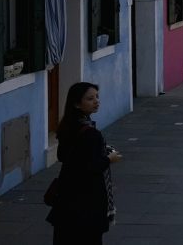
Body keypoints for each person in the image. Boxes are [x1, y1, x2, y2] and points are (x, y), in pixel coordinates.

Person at [47, 82, 122, 245]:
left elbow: (62, 156)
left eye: (97, 97)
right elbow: (91, 167)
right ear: (76, 103)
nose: (96, 101)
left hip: (66, 198)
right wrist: (109, 158)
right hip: (86, 201)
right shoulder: (90, 133)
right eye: (90, 98)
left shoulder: (67, 126)